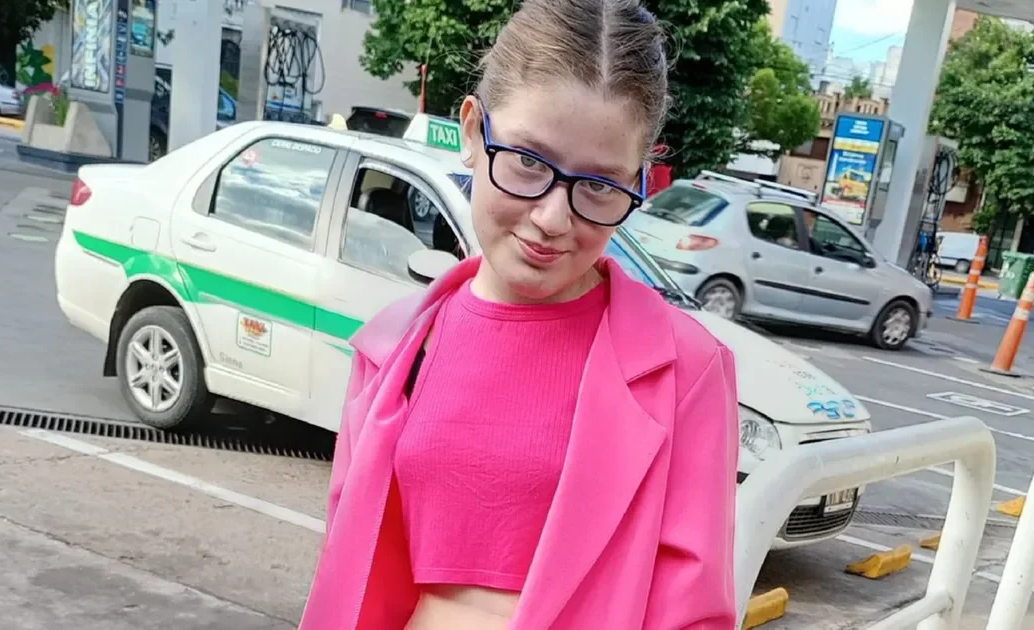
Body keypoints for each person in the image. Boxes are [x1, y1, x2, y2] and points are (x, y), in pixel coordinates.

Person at [298, 0, 738, 628]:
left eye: (600, 186)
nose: (553, 219)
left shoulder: (686, 370)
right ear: (473, 130)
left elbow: (692, 613)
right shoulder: (392, 348)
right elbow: (348, 572)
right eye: (529, 162)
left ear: (637, 182)